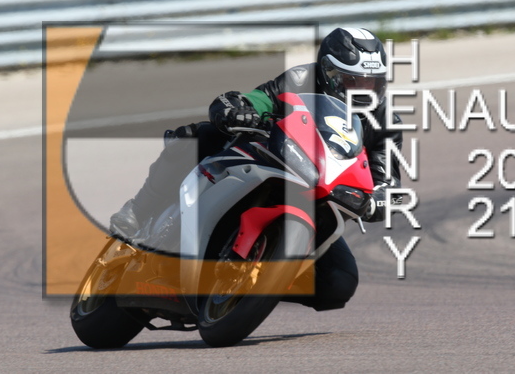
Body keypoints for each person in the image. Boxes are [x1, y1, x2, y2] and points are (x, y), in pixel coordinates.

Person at [110, 27, 403, 311]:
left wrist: (378, 200)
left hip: (319, 198)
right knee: (198, 136)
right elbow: (259, 99)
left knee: (339, 283)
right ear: (328, 73)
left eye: (372, 83)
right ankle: (138, 211)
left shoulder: (386, 120)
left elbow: (387, 180)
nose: (364, 91)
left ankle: (260, 284)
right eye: (353, 81)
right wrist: (238, 108)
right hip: (276, 161)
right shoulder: (301, 79)